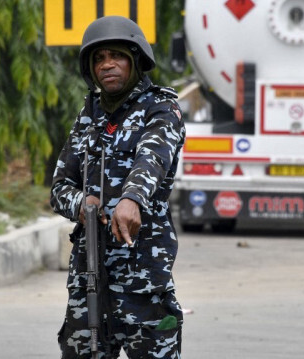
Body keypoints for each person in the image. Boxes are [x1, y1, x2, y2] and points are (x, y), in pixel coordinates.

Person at [50, 15, 186, 359]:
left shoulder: (161, 106)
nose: (107, 65)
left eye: (117, 56)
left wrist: (132, 198)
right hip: (89, 276)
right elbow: (59, 187)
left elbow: (152, 157)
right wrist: (82, 203)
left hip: (143, 278)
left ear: (136, 60)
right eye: (99, 58)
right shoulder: (89, 114)